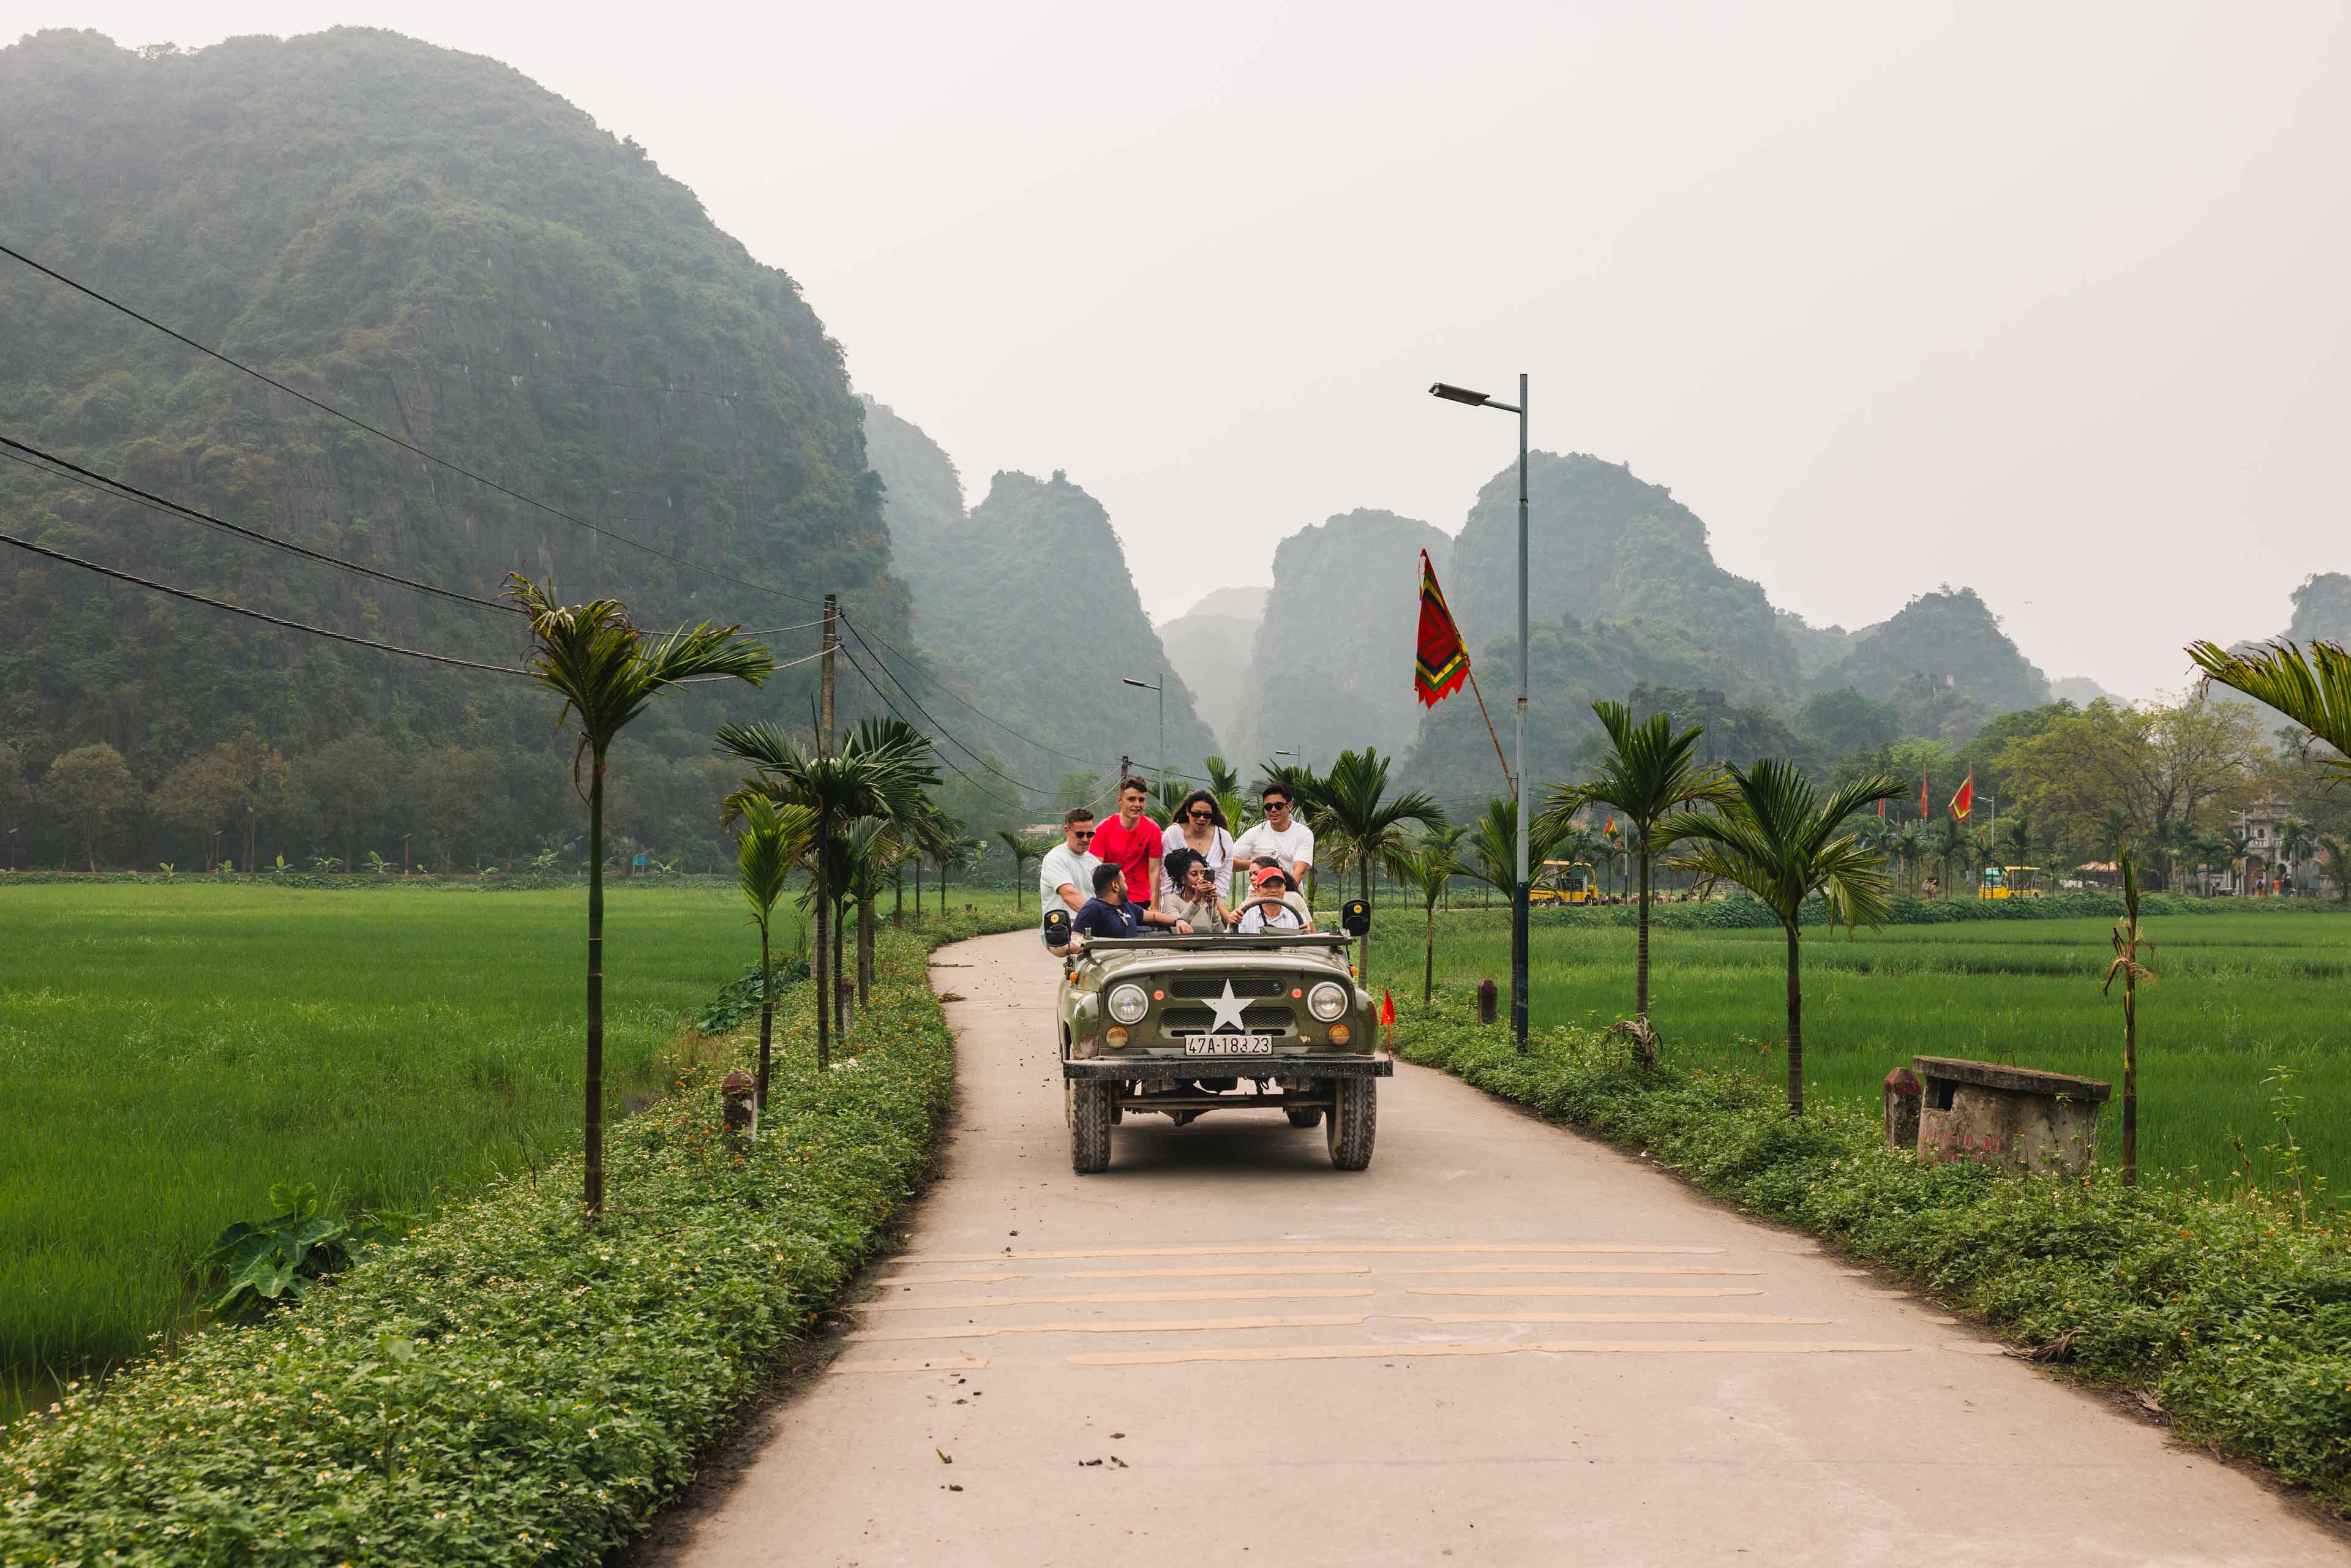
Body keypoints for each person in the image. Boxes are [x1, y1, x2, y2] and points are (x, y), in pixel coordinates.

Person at [1088, 776, 1165, 912]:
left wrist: (1155, 908)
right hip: (1110, 898)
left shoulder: (1153, 829)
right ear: (1120, 801)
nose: (1137, 804)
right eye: (1131, 799)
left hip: (1140, 899)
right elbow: (1096, 869)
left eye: (1141, 800)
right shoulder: (1104, 828)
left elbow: (1154, 871)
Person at [1231, 779, 1313, 903]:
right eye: (1268, 807)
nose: (1273, 810)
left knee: (1300, 916)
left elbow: (1299, 871)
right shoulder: (1254, 833)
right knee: (1238, 915)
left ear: (1290, 806)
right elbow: (1229, 862)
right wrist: (1258, 865)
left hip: (1291, 892)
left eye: (1279, 806)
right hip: (1257, 895)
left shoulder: (1304, 833)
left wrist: (1281, 895)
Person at [1070, 862, 1192, 943]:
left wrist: (1178, 921)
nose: (1127, 886)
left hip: (1132, 964)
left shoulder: (1126, 906)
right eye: (1124, 882)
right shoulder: (1093, 909)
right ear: (1115, 886)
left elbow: (1154, 916)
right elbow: (1075, 941)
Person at [1156, 788, 1234, 906]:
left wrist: (1211, 905)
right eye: (1196, 814)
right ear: (1188, 812)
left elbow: (1224, 879)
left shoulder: (1224, 838)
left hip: (1211, 906)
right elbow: (1167, 877)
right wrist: (1176, 907)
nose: (1202, 819)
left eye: (1207, 815)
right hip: (1177, 906)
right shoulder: (1173, 834)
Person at [1037, 807, 1099, 928]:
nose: (1085, 839)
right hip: (1060, 929)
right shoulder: (1055, 859)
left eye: (1090, 834)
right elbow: (1069, 895)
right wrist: (1101, 918)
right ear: (1067, 831)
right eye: (1080, 834)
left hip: (1089, 928)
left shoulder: (1095, 863)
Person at [1159, 846, 1230, 932]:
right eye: (1194, 874)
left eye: (1202, 874)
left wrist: (1212, 908)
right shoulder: (1171, 900)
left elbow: (1221, 933)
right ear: (1183, 879)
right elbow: (1176, 930)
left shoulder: (1209, 901)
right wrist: (1195, 900)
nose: (1200, 878)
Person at [1234, 865, 1305, 933]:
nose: (1273, 890)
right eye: (1267, 886)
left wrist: (1305, 934)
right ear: (1257, 890)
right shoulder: (1245, 918)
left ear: (1284, 889)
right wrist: (1233, 924)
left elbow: (1305, 938)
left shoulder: (1297, 919)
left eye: (1278, 886)